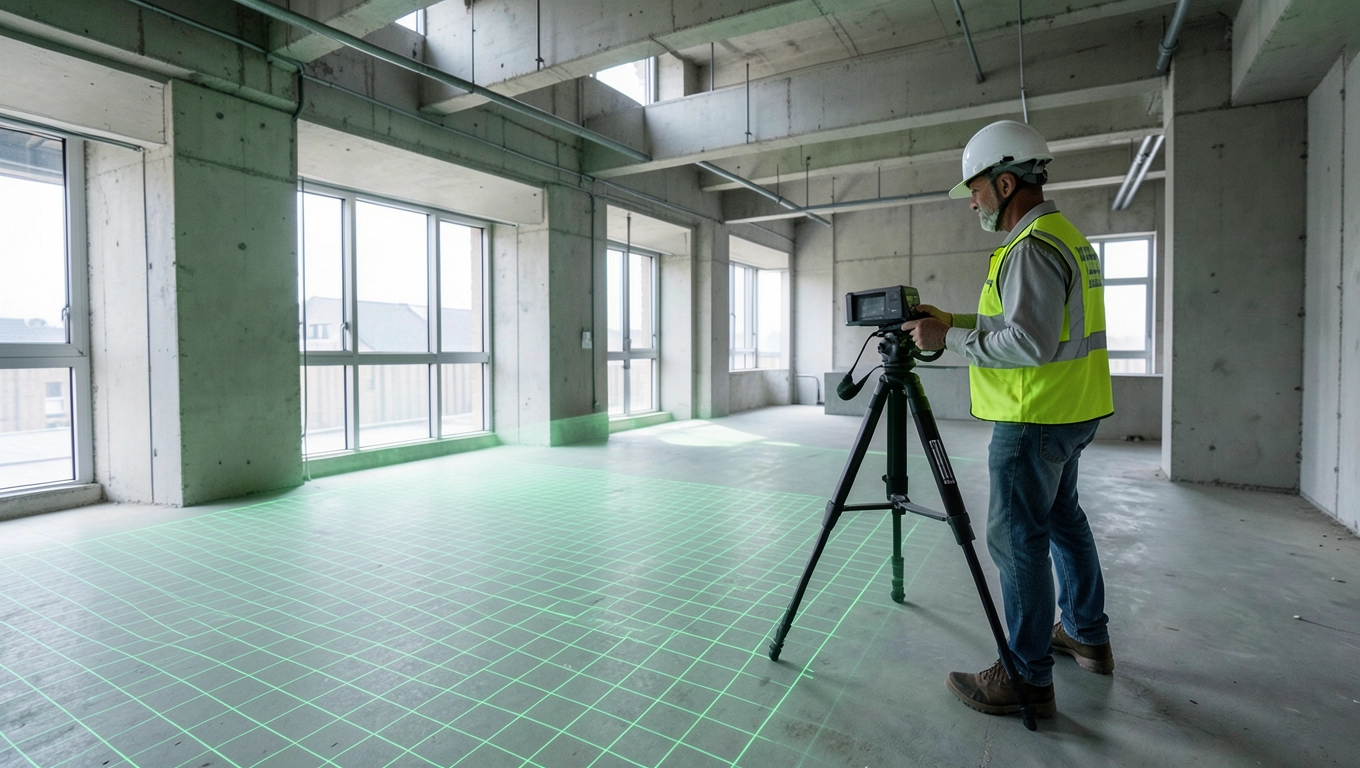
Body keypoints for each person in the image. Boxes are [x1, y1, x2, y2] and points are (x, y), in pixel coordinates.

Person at [901, 120, 1116, 719]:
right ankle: (1085, 633)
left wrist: (949, 341)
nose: (971, 200)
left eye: (975, 188)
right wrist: (956, 319)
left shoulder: (1029, 248)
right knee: (1065, 521)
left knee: (1017, 539)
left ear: (1004, 181)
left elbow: (1030, 342)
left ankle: (1024, 675)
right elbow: (1028, 324)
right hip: (1072, 411)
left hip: (1033, 419)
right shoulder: (1063, 236)